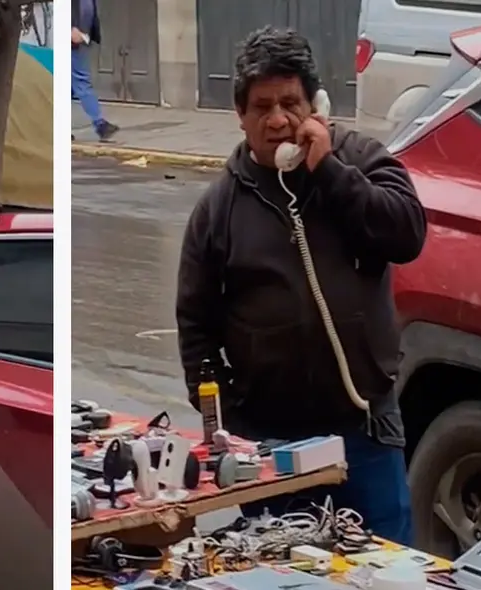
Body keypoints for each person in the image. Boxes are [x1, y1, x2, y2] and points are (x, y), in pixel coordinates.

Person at [175, 27, 426, 546]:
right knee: (282, 565)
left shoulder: (360, 161)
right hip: (271, 442)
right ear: (240, 116)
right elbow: (195, 325)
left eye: (290, 103)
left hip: (364, 428)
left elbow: (407, 234)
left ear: (315, 106)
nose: (277, 120)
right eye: (261, 107)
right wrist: (225, 425)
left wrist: (329, 171)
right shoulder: (218, 209)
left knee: (387, 567)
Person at [71, 0, 119, 141]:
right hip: (72, 44)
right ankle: (100, 124)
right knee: (82, 81)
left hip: (81, 43)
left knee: (71, 88)